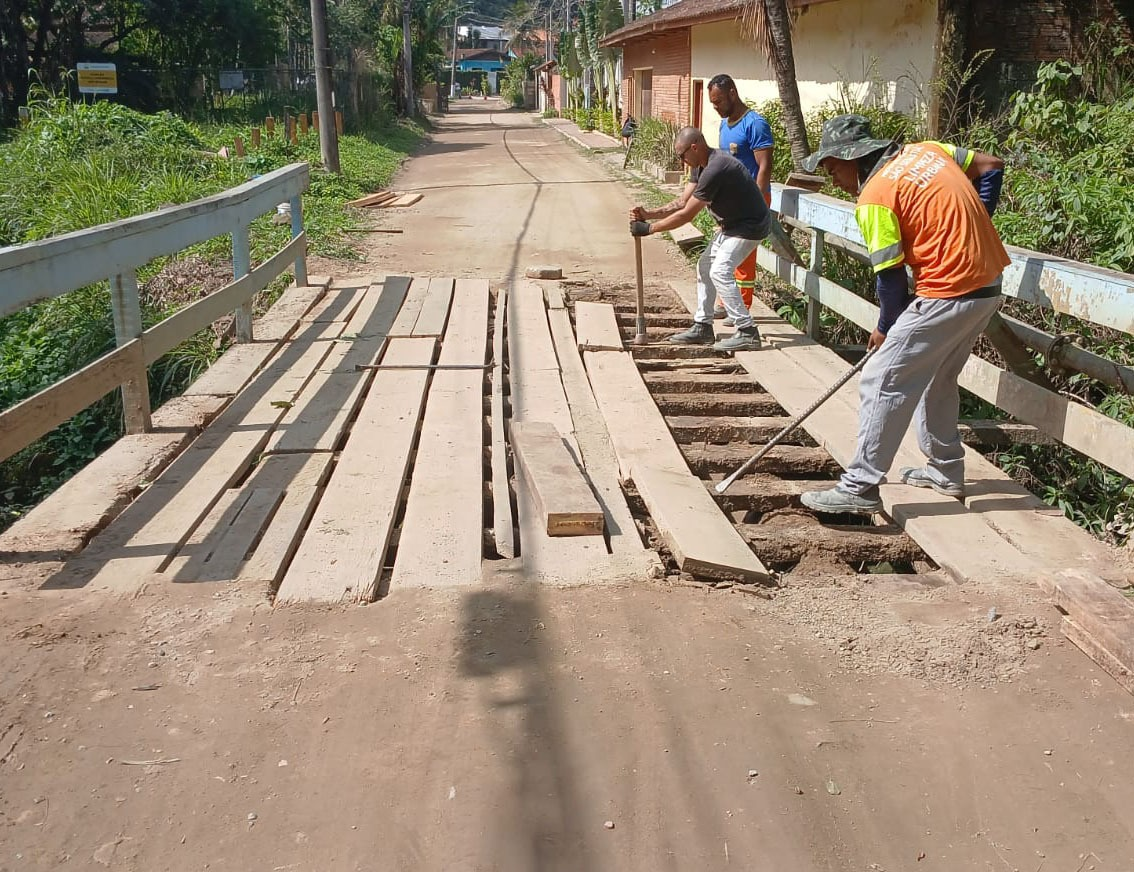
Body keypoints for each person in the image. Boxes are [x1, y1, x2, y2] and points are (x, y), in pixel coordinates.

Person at [797, 114, 1008, 515]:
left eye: (832, 169)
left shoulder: (875, 197)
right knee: (937, 377)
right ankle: (945, 470)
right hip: (987, 283)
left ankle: (860, 487)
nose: (833, 181)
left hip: (949, 288)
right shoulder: (927, 151)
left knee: (881, 378)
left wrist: (884, 328)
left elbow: (891, 281)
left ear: (851, 158)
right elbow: (991, 165)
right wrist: (977, 225)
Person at [629, 127, 771, 353]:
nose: (681, 161)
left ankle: (747, 331)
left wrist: (649, 229)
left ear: (694, 147)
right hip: (731, 226)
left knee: (720, 272)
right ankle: (703, 327)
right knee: (705, 267)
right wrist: (649, 214)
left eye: (682, 155)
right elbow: (682, 203)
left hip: (750, 226)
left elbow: (687, 215)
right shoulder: (700, 166)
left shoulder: (717, 167)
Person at [707, 73, 775, 323]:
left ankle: (741, 306)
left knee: (743, 257)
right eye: (713, 103)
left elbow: (764, 166)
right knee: (726, 253)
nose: (716, 107)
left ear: (732, 94)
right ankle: (725, 301)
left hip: (752, 200)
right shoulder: (725, 125)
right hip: (731, 202)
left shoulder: (755, 124)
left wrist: (754, 202)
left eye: (719, 102)